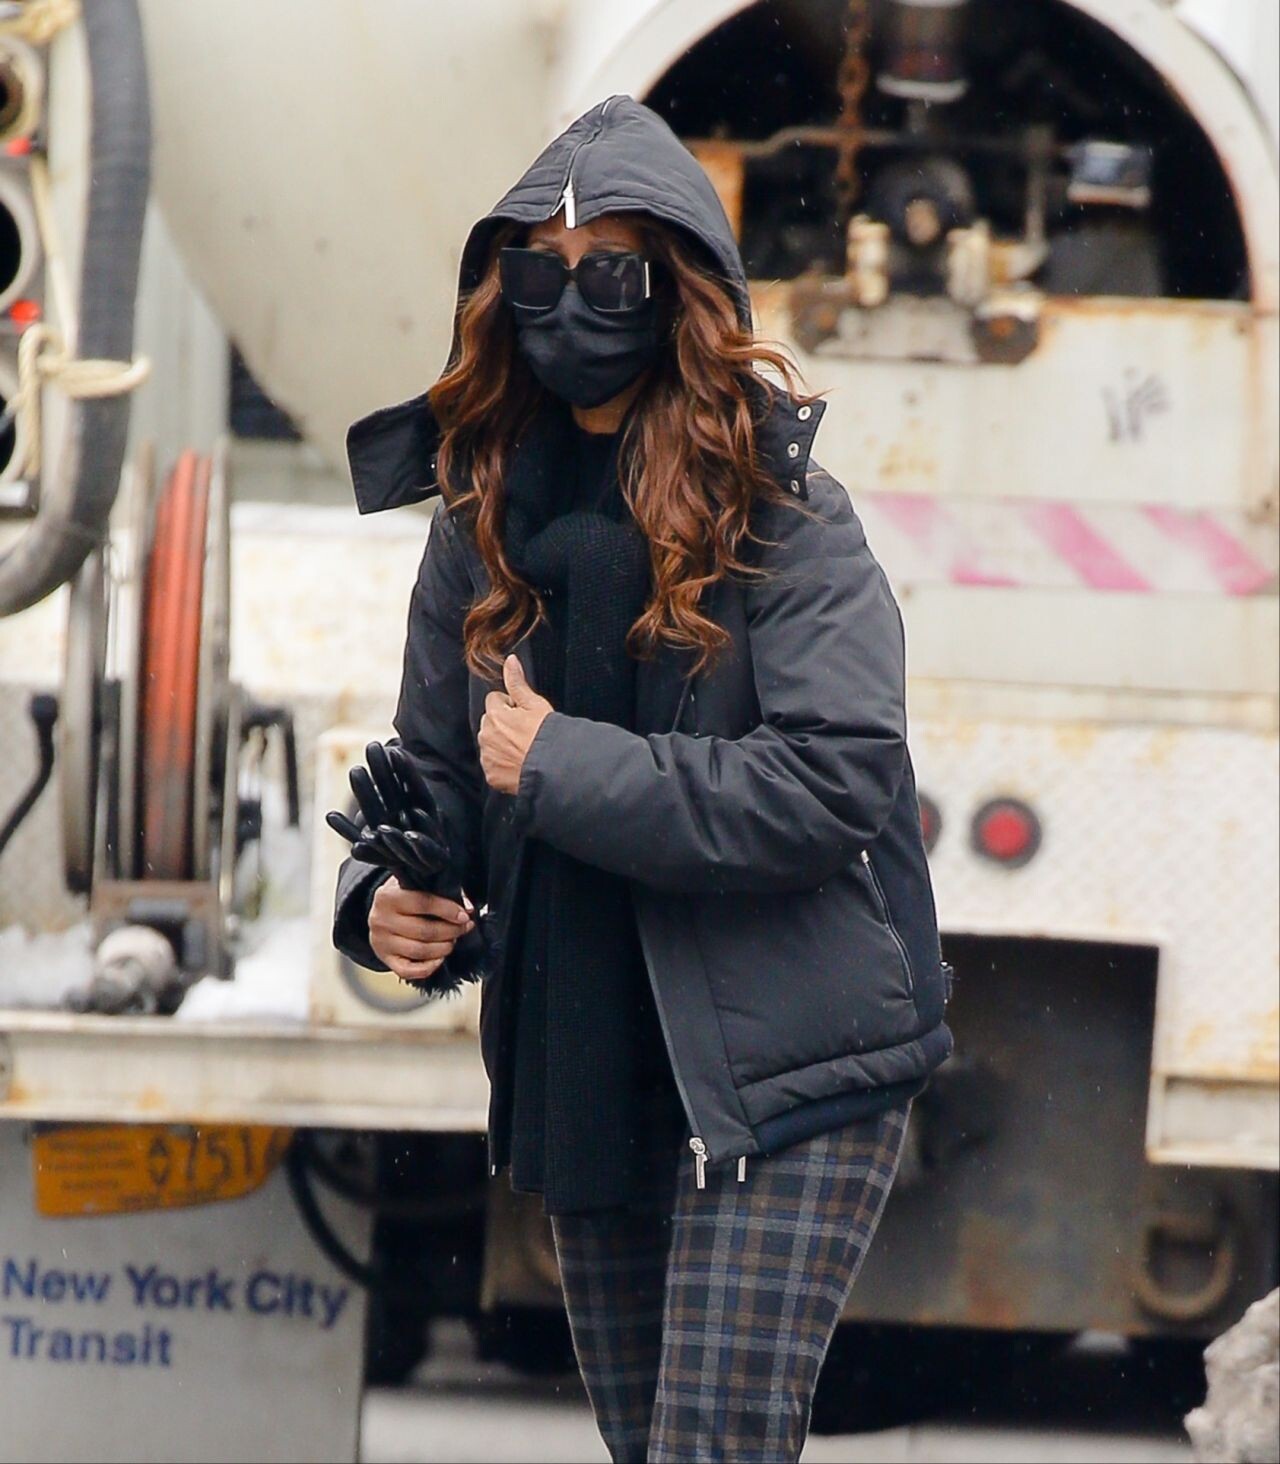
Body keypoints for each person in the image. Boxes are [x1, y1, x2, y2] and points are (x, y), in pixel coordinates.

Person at [334, 94, 953, 1464]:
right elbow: (439, 777)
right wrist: (387, 899)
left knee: (709, 1446)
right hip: (588, 1068)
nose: (572, 306)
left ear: (678, 288)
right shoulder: (481, 515)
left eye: (611, 274)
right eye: (539, 276)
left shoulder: (782, 510)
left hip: (790, 1067)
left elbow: (838, 781)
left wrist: (565, 762)